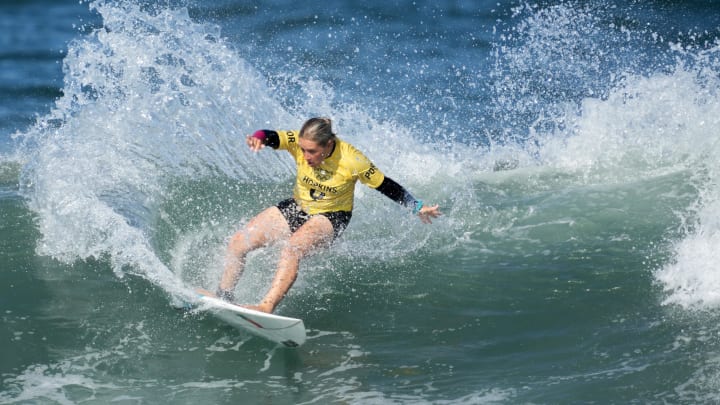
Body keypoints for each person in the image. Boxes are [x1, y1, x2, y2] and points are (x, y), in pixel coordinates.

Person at [215, 117, 441, 313]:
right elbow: (269, 135)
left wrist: (417, 206)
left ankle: (266, 307)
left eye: (312, 151)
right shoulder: (299, 141)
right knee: (238, 242)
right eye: (303, 150)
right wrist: (258, 137)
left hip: (332, 216)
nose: (305, 156)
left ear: (329, 144)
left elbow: (386, 185)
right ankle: (224, 298)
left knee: (291, 250)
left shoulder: (353, 161)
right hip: (300, 205)